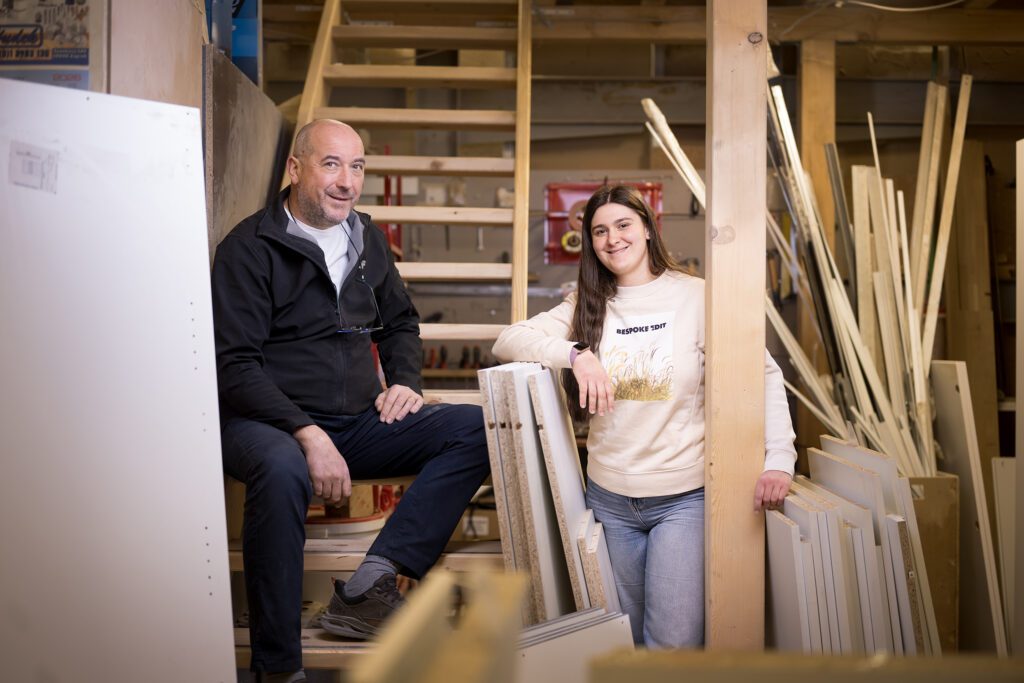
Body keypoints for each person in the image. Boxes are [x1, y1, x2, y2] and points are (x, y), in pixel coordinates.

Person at [212, 119, 491, 682]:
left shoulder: (365, 237)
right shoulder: (249, 248)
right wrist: (307, 434)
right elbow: (234, 365)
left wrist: (406, 382)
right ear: (295, 169)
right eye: (332, 164)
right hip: (268, 425)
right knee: (281, 468)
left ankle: (372, 582)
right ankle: (278, 668)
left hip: (356, 422)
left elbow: (400, 321)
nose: (347, 181)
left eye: (357, 166)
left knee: (478, 428)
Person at [492, 185, 796, 649]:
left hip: (682, 500)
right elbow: (508, 340)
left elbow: (763, 374)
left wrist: (779, 459)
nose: (612, 239)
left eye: (623, 225)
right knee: (625, 642)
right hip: (609, 500)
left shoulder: (697, 297)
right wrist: (576, 355)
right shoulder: (585, 303)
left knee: (671, 646)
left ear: (649, 229)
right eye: (599, 231)